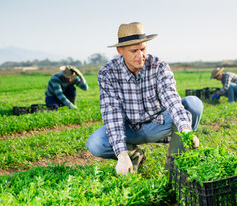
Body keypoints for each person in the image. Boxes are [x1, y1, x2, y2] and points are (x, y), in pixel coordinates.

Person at [86, 22, 204, 175]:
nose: (140, 55)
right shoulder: (108, 73)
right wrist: (122, 155)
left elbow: (172, 100)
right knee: (96, 143)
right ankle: (134, 156)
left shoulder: (158, 66)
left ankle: (174, 169)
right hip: (131, 129)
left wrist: (186, 129)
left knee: (193, 103)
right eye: (134, 50)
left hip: (159, 124)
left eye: (143, 49)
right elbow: (112, 114)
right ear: (120, 50)